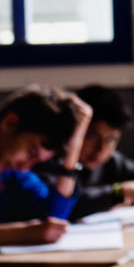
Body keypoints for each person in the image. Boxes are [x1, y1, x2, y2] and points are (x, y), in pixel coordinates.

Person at [35, 84, 134, 221]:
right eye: (92, 137)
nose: (101, 149)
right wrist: (120, 192)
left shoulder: (110, 162)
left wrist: (131, 192)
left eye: (111, 140)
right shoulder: (47, 160)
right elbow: (60, 205)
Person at [0, 84, 92, 245]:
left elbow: (54, 219)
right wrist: (20, 234)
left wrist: (74, 148)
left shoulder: (12, 174)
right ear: (10, 123)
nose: (25, 167)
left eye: (36, 161)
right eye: (30, 153)